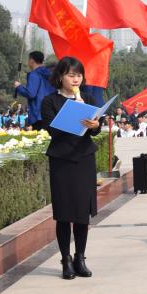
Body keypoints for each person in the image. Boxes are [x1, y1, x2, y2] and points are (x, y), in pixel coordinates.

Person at [40, 57, 101, 280]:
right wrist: (75, 112)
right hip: (62, 161)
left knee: (82, 213)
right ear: (60, 77)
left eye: (79, 75)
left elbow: (94, 131)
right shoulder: (50, 101)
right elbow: (52, 130)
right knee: (64, 213)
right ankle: (65, 260)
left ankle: (80, 258)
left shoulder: (88, 98)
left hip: (84, 159)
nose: (76, 79)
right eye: (71, 75)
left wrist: (95, 124)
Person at [14, 51, 52, 131]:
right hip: (50, 111)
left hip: (38, 113)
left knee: (40, 136)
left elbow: (31, 94)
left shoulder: (34, 74)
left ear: (31, 60)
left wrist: (19, 87)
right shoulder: (50, 73)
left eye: (28, 59)